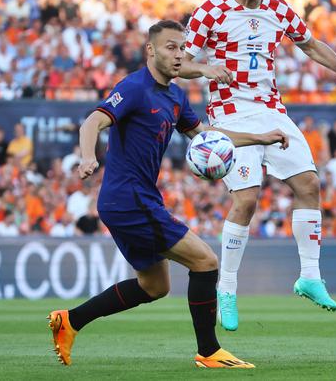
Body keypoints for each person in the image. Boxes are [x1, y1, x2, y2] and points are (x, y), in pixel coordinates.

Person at [47, 20, 290, 369]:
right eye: (170, 47)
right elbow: (92, 122)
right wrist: (89, 156)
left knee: (154, 286)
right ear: (151, 50)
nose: (179, 55)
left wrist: (260, 137)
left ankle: (69, 321)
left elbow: (207, 135)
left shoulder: (176, 96)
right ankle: (209, 352)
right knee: (206, 262)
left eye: (182, 48)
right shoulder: (134, 88)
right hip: (129, 200)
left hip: (135, 200)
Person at [179, 0, 336, 331]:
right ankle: (228, 290)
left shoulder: (279, 9)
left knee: (309, 184)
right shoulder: (210, 10)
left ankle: (310, 277)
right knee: (247, 198)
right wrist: (205, 68)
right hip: (231, 113)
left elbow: (312, 46)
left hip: (272, 109)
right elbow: (180, 62)